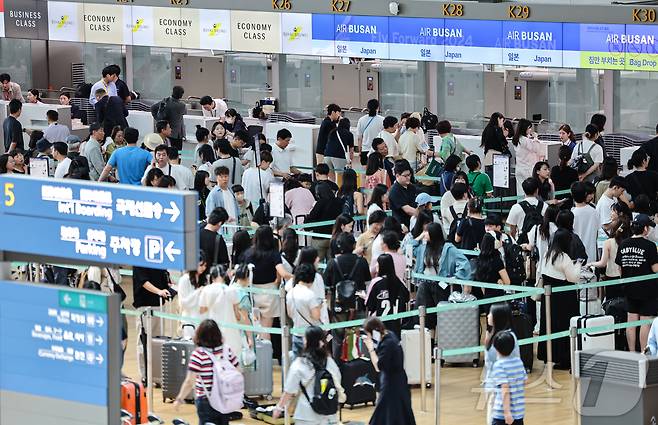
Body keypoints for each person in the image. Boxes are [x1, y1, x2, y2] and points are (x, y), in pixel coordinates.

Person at [273, 326, 344, 424]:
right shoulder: (329, 362)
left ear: (307, 341)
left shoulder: (300, 363)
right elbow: (338, 380)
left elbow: (289, 390)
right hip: (328, 412)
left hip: (306, 414)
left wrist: (279, 408)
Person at [173, 319, 240, 425]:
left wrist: (180, 398)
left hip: (205, 400)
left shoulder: (198, 354)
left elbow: (190, 381)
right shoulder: (227, 351)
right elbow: (238, 371)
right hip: (225, 398)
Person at [537, 228, 581, 368]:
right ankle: (564, 358)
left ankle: (549, 355)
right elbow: (573, 277)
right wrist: (578, 265)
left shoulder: (546, 255)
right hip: (564, 297)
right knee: (563, 325)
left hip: (548, 296)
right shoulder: (564, 257)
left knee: (549, 325)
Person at [616, 214, 658, 351]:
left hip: (629, 288)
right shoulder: (650, 246)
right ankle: (643, 353)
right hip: (648, 290)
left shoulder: (623, 244)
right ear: (645, 229)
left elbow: (620, 268)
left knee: (631, 321)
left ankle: (632, 352)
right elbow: (655, 269)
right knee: (645, 322)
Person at [363, 317, 416, 425]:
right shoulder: (391, 336)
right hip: (399, 382)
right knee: (401, 413)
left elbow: (378, 366)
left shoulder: (387, 344)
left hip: (391, 385)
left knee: (385, 414)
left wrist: (370, 349)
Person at [242, 226, 293, 337]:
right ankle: (266, 352)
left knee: (256, 327)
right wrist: (296, 276)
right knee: (266, 329)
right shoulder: (274, 254)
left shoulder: (248, 254)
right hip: (270, 293)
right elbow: (283, 273)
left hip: (252, 291)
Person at [484, 304, 521, 424]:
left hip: (500, 388)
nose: (488, 316)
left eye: (491, 313)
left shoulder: (506, 339)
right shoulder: (496, 334)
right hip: (493, 384)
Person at [199, 265, 246, 359]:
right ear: (225, 276)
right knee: (231, 362)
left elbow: (201, 310)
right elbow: (237, 315)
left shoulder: (206, 290)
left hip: (212, 331)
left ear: (212, 277)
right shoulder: (232, 290)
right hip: (231, 332)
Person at [132, 265, 171, 379]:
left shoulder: (158, 258)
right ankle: (145, 375)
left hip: (159, 304)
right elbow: (143, 281)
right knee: (143, 341)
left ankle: (157, 375)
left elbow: (163, 277)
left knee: (158, 341)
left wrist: (168, 288)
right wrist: (158, 291)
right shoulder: (139, 259)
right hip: (144, 305)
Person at [588, 202, 631, 300]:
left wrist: (590, 263)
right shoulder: (630, 240)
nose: (611, 213)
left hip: (612, 278)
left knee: (612, 306)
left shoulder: (608, 242)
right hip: (627, 277)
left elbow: (602, 263)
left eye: (613, 211)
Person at [366, 254, 410, 337]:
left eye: (377, 263)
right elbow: (406, 298)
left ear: (381, 265)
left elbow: (370, 306)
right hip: (396, 328)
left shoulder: (377, 283)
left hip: (379, 328)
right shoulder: (399, 283)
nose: (376, 265)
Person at [490, 331, 527, 425]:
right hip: (518, 412)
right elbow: (525, 381)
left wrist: (507, 413)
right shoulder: (518, 361)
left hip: (502, 414)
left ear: (496, 348)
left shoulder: (499, 365)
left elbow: (505, 388)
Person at [286, 263, 323, 356]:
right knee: (312, 363)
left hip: (296, 333)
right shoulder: (310, 294)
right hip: (310, 336)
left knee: (298, 362)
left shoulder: (290, 293)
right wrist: (319, 307)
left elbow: (289, 314)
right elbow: (316, 316)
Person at [307, 182, 344, 262]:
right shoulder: (339, 202)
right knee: (333, 264)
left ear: (318, 193)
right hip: (334, 237)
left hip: (319, 237)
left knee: (318, 265)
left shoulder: (320, 203)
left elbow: (311, 218)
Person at [474, 233, 511, 310]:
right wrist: (500, 281)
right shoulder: (497, 260)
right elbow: (507, 281)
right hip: (498, 297)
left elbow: (482, 284)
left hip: (486, 298)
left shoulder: (480, 260)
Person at [177, 251, 208, 339]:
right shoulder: (184, 280)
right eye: (201, 265)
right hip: (189, 321)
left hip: (201, 319)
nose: (203, 268)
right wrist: (198, 292)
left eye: (205, 265)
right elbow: (183, 303)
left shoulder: (203, 279)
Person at [571, 181, 600, 265]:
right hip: (592, 256)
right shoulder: (594, 211)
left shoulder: (572, 214)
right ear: (586, 194)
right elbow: (598, 230)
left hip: (576, 257)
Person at [512, 119, 544, 197]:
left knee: (520, 192)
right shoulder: (525, 140)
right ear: (524, 128)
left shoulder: (516, 139)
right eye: (529, 128)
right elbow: (536, 149)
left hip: (519, 168)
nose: (530, 130)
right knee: (530, 192)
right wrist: (536, 138)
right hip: (528, 169)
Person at [151, 86, 187, 151]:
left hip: (167, 132)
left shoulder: (165, 102)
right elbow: (184, 112)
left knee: (167, 153)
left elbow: (153, 108)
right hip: (177, 134)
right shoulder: (182, 105)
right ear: (181, 95)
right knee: (177, 154)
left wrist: (157, 118)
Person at [596, 176, 627, 245]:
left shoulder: (613, 198)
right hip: (604, 241)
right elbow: (606, 227)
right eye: (621, 191)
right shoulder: (604, 203)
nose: (621, 194)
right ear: (615, 188)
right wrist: (619, 219)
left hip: (610, 239)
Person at [388, 161, 417, 229]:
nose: (408, 178)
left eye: (409, 175)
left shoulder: (412, 187)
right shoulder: (394, 190)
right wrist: (423, 215)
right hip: (401, 226)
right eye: (405, 176)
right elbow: (408, 210)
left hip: (413, 222)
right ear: (397, 175)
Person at [357, 99, 385, 166]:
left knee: (365, 172)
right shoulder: (382, 120)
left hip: (365, 150)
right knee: (378, 171)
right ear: (378, 108)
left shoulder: (361, 120)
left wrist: (360, 151)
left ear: (367, 108)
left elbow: (359, 137)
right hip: (377, 150)